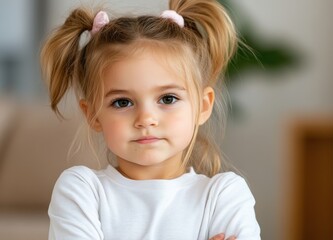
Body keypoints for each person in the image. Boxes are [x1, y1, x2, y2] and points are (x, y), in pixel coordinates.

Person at [40, 0, 260, 239]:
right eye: (122, 102)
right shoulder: (82, 191)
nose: (146, 119)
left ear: (203, 106)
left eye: (167, 99)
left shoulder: (224, 195)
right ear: (93, 114)